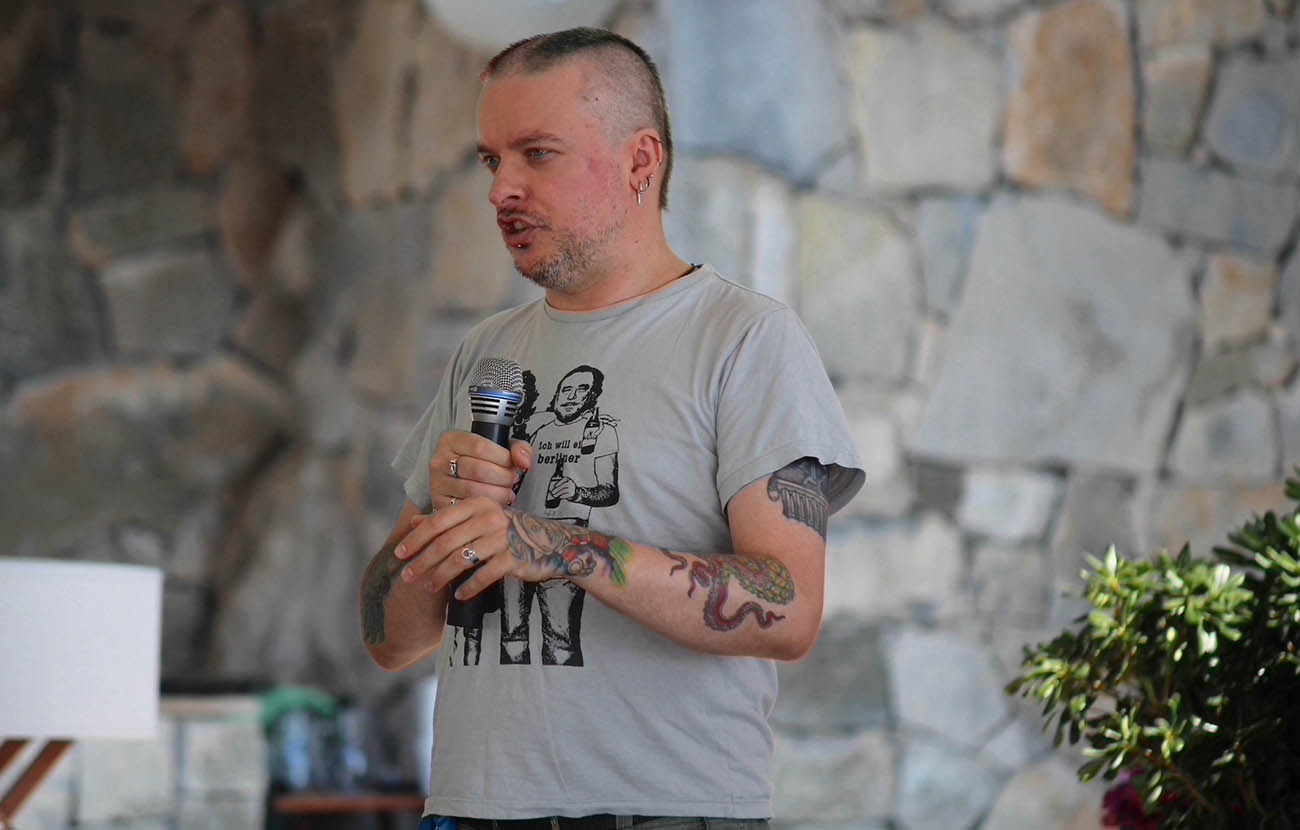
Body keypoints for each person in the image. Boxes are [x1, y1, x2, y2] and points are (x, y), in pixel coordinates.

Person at [359, 27, 864, 830]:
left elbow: (790, 607)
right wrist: (441, 526)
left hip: (662, 813)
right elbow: (389, 638)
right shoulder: (486, 352)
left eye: (537, 154)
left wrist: (558, 548)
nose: (501, 190)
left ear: (641, 162)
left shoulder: (745, 339)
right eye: (492, 161)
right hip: (467, 811)